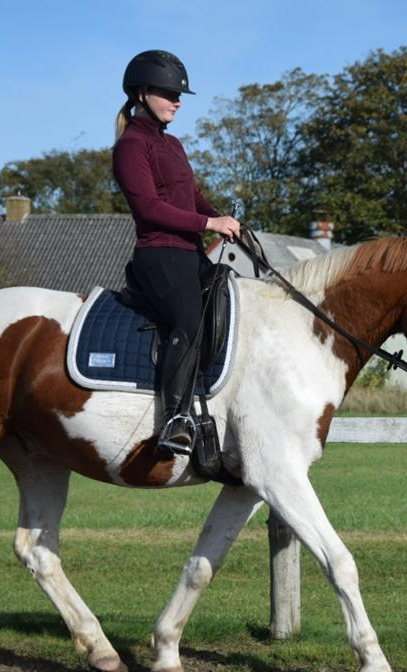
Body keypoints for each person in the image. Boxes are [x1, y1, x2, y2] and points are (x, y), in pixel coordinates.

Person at [112, 50, 240, 457]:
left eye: (179, 94)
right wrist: (208, 226)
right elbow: (149, 208)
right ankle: (175, 420)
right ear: (143, 93)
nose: (178, 101)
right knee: (189, 320)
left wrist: (220, 216)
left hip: (189, 253)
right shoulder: (131, 146)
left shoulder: (173, 144)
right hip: (159, 255)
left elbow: (193, 196)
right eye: (169, 93)